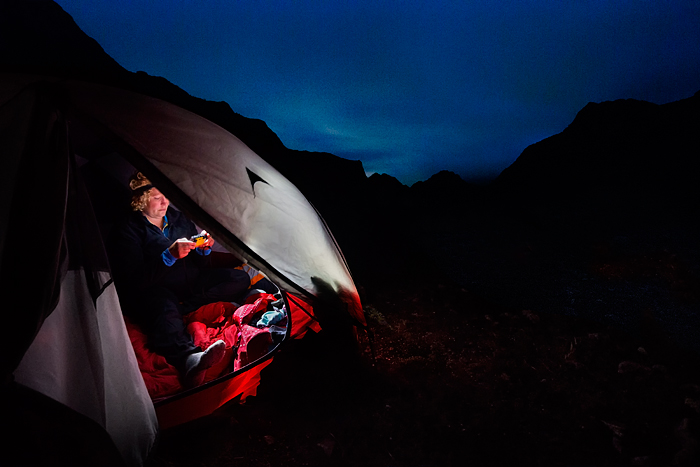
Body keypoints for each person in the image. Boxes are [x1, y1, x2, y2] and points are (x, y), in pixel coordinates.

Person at [109, 172, 253, 387]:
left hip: (191, 285)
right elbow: (134, 281)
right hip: (158, 288)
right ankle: (189, 359)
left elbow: (199, 265)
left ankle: (186, 309)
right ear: (141, 200)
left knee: (238, 278)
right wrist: (168, 257)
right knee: (164, 308)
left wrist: (203, 250)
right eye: (157, 197)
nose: (165, 202)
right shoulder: (129, 230)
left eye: (165, 195)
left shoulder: (177, 218)